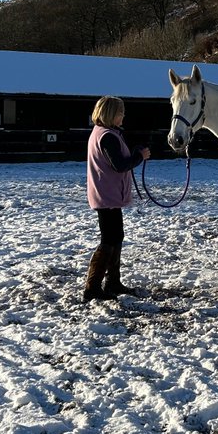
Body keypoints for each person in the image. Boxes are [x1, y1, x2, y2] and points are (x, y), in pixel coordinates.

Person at [83, 96, 150, 302]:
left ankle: (112, 281)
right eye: (121, 112)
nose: (123, 116)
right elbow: (119, 165)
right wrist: (140, 157)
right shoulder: (108, 136)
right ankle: (93, 287)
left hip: (107, 193)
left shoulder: (104, 133)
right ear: (112, 114)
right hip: (108, 194)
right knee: (109, 239)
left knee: (116, 236)